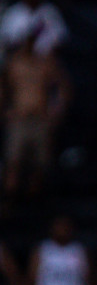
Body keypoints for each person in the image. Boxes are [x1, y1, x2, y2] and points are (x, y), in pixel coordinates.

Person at [2, 28, 71, 204]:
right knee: (13, 165)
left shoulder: (45, 64)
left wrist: (56, 111)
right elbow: (3, 89)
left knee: (39, 169)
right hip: (19, 119)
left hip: (40, 119)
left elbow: (64, 87)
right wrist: (5, 111)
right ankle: (10, 208)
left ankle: (34, 209)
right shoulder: (14, 64)